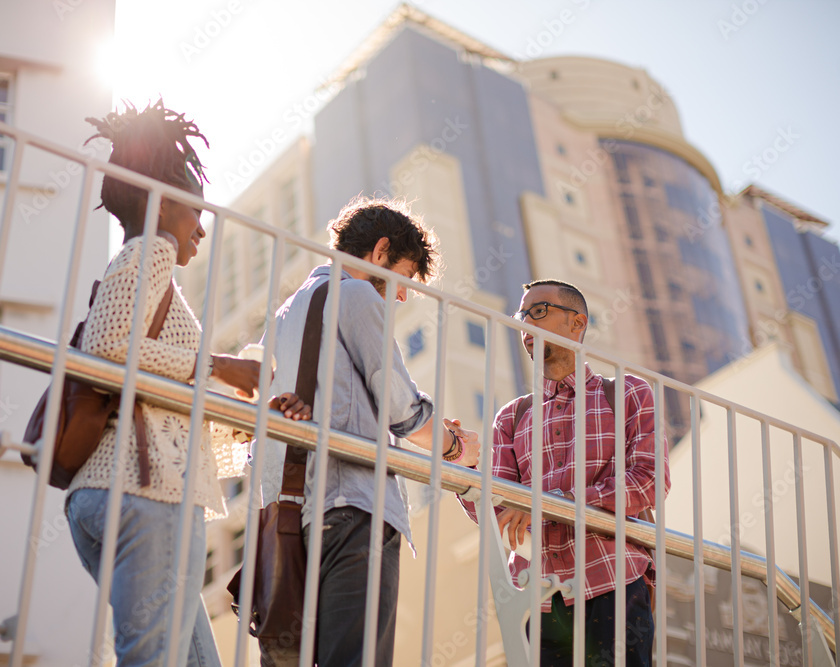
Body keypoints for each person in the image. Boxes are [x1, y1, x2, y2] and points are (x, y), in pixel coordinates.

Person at [64, 101, 260, 667]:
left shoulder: (144, 264)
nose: (201, 226)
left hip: (116, 492)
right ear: (165, 203)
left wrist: (248, 411)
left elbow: (156, 388)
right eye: (195, 210)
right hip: (146, 491)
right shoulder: (152, 250)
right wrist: (220, 366)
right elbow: (108, 348)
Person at [256, 198, 480, 667]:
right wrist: (457, 446)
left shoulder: (284, 315)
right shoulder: (356, 295)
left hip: (289, 521)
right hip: (353, 510)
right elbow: (402, 410)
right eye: (404, 278)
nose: (400, 297)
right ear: (380, 252)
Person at [458, 279, 671, 667]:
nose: (526, 324)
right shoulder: (511, 417)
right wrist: (463, 468)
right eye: (521, 316)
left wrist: (557, 503)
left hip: (613, 583)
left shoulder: (627, 393)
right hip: (538, 600)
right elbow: (495, 515)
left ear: (578, 323)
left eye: (538, 311)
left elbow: (650, 482)